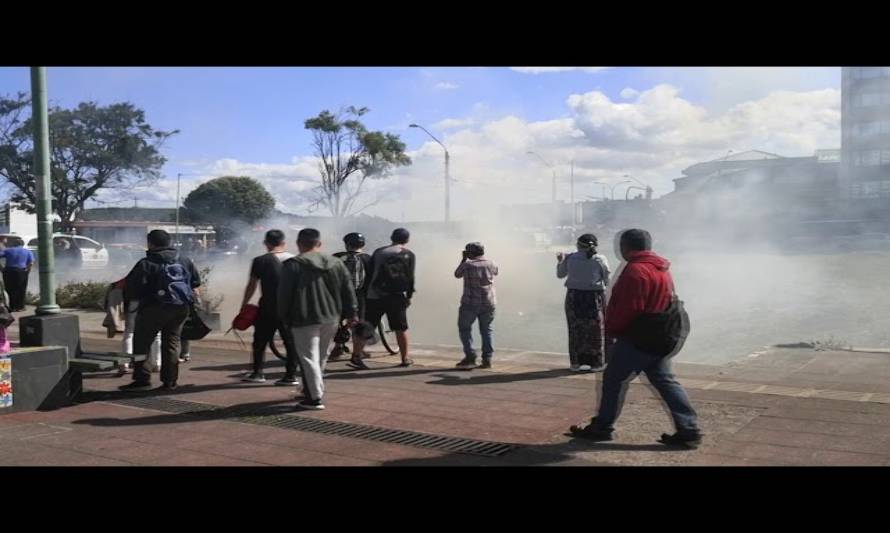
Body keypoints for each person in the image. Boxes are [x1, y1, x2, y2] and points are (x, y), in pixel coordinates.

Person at [569, 229, 702, 449]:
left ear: (625, 247)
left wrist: (611, 332)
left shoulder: (635, 271)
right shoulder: (661, 268)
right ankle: (689, 430)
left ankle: (602, 427)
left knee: (613, 380)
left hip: (638, 337)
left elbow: (629, 308)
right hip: (660, 335)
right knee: (665, 380)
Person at [278, 228, 358, 410]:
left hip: (303, 317)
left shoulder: (293, 265)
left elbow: (284, 295)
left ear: (299, 244)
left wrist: (283, 316)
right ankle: (311, 390)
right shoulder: (336, 263)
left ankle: (314, 398)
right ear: (319, 244)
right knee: (321, 356)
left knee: (308, 357)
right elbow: (348, 291)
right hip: (331, 317)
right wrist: (352, 314)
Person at [120, 229, 202, 391]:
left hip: (153, 309)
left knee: (142, 344)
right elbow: (195, 284)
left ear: (150, 243)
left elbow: (132, 289)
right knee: (172, 343)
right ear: (169, 242)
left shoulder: (146, 263)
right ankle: (170, 381)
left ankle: (142, 380)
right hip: (180, 308)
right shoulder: (184, 260)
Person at [239, 229, 299, 385]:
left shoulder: (260, 261)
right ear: (283, 243)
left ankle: (258, 372)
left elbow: (252, 285)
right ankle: (291, 376)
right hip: (291, 308)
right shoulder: (296, 260)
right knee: (290, 341)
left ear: (266, 243)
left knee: (260, 341)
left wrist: (244, 304)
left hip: (267, 307)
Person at [353, 228, 416, 368]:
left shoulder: (379, 252)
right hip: (397, 296)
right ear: (407, 240)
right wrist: (409, 296)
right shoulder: (409, 254)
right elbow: (410, 278)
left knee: (367, 326)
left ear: (391, 237)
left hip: (374, 295)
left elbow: (370, 274)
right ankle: (405, 358)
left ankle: (356, 355)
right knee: (401, 328)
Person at [556, 233, 610, 372]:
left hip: (574, 296)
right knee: (596, 330)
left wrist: (560, 261)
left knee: (575, 329)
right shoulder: (600, 259)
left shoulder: (570, 258)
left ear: (578, 245)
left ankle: (576, 363)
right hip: (594, 296)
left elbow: (560, 275)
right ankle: (596, 363)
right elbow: (606, 279)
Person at [454, 242, 499, 370]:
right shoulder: (491, 263)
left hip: (470, 303)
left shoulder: (467, 265)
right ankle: (487, 359)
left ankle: (470, 356)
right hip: (489, 302)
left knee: (465, 328)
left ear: (469, 253)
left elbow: (457, 274)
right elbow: (496, 272)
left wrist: (463, 259)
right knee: (486, 330)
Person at [331, 232, 373, 369]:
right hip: (359, 297)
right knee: (359, 326)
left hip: (337, 296)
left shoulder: (336, 257)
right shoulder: (368, 259)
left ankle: (338, 346)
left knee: (336, 321)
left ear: (346, 244)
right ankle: (356, 356)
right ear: (363, 244)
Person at [0, 240, 34, 312]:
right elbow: (31, 263)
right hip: (21, 271)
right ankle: (20, 307)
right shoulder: (27, 251)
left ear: (13, 244)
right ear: (23, 244)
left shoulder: (8, 250)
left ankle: (12, 306)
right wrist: (27, 271)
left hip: (8, 271)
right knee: (21, 289)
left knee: (10, 289)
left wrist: (1, 268)